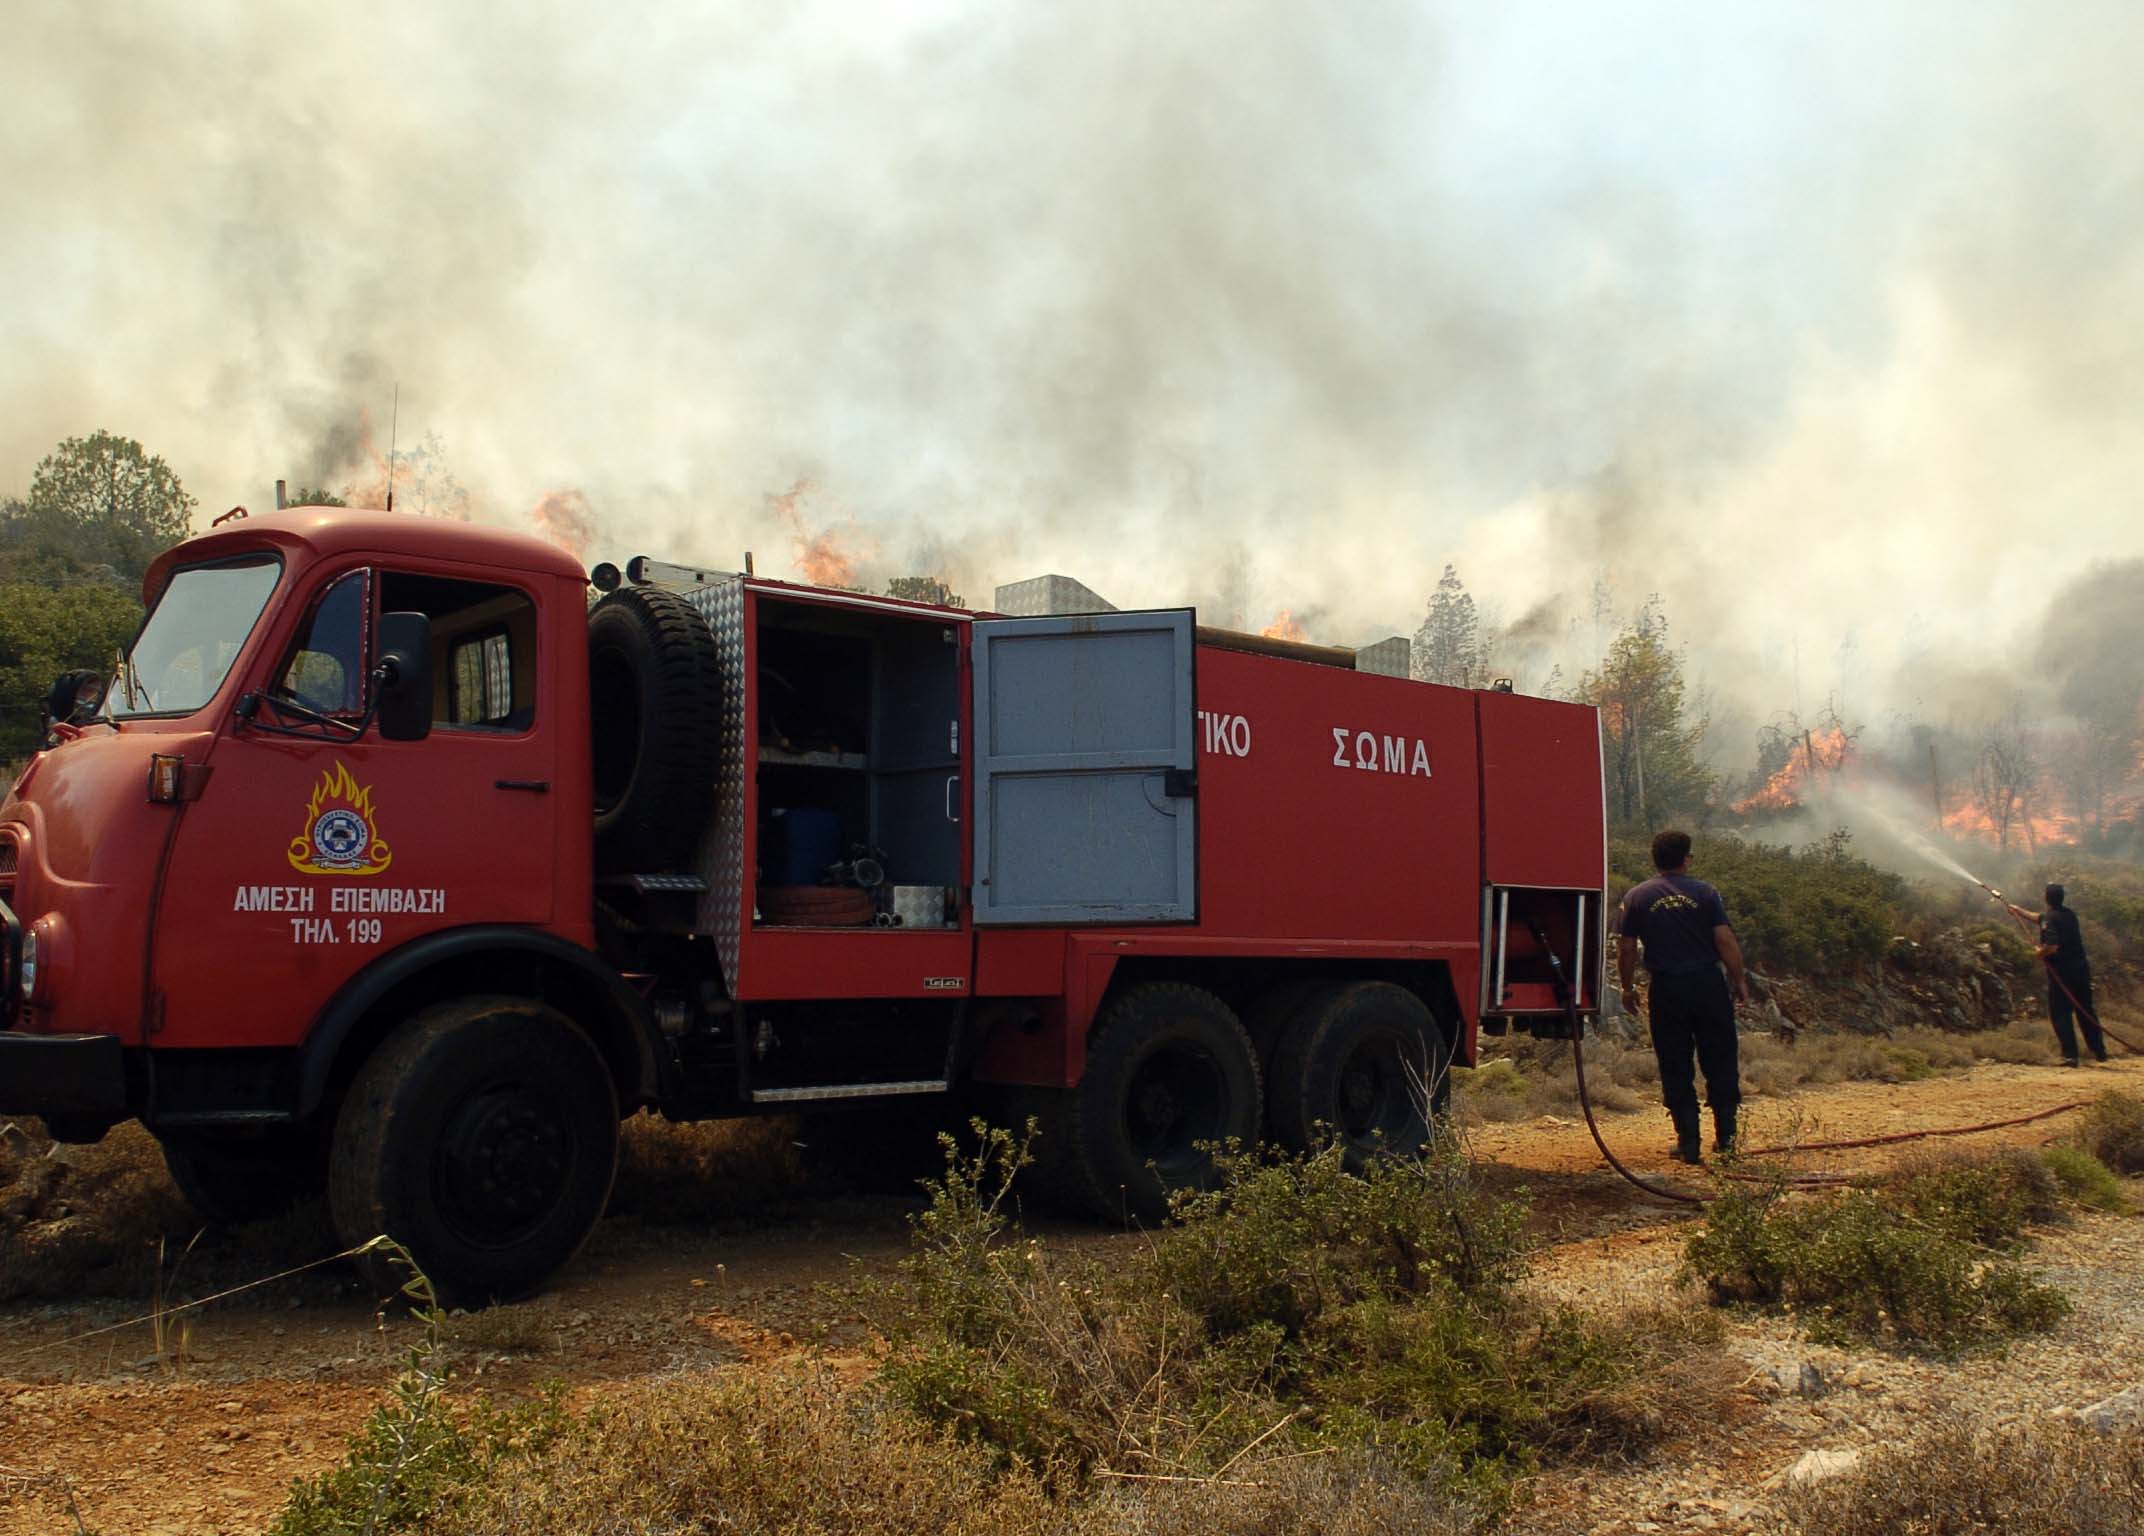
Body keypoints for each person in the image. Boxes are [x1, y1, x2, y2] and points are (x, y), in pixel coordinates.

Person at [1616, 829, 1750, 1163]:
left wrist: (1628, 987)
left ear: (1655, 859)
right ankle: (1727, 1140)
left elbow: (1627, 948)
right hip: (1707, 984)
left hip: (1667, 988)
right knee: (1720, 1058)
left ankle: (1688, 1143)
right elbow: (1725, 940)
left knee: (1675, 1063)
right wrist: (1739, 981)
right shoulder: (1706, 893)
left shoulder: (1637, 897)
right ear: (1686, 859)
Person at [2009, 885, 2107, 1066]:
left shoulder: (2050, 918)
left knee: (2060, 1013)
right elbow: (2040, 918)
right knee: (2086, 1010)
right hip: (2081, 971)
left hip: (2063, 974)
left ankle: (2070, 1056)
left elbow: (2052, 946)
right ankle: (2099, 1051)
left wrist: (2040, 953)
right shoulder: (2069, 914)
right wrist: (2018, 911)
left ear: (2046, 898)